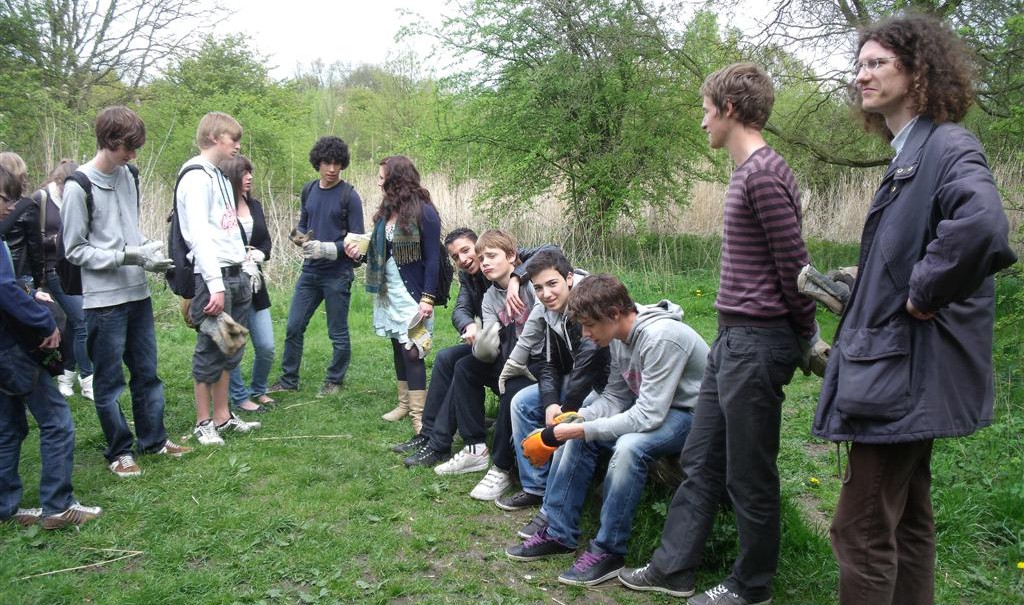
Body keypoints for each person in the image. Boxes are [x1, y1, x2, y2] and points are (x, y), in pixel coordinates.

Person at [811, 15, 1016, 605]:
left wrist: (924, 290)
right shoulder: (911, 154)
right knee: (906, 521)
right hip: (897, 372)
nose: (861, 75)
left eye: (877, 63)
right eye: (859, 65)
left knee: (859, 531)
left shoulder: (946, 145)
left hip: (899, 378)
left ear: (919, 70)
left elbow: (982, 227)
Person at [619, 63, 816, 605]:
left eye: (706, 110)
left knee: (749, 474)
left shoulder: (764, 174)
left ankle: (752, 587)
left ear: (729, 108)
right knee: (701, 459)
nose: (702, 121)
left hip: (758, 343)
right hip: (730, 338)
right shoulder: (746, 172)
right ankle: (674, 569)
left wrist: (806, 337)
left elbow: (795, 268)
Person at [505, 274, 708, 587]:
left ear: (614, 314)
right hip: (658, 410)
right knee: (579, 432)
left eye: (589, 326)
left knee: (629, 448)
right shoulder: (617, 338)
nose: (586, 335)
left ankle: (609, 550)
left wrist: (581, 429)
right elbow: (615, 397)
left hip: (693, 415)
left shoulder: (661, 338)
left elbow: (648, 416)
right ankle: (559, 532)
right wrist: (575, 420)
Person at [62, 105, 192, 476]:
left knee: (147, 373)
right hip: (104, 301)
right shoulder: (78, 186)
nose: (133, 155)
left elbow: (129, 231)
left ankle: (154, 440)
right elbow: (74, 250)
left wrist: (148, 252)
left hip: (138, 294)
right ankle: (119, 451)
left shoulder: (130, 175)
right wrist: (127, 256)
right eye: (127, 148)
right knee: (109, 382)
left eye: (136, 148)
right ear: (108, 140)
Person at [397, 232, 561, 463]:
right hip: (497, 341)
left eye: (467, 251)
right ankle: (429, 433)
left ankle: (441, 443)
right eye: (456, 257)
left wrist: (516, 277)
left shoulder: (510, 260)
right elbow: (461, 309)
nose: (464, 259)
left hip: (526, 352)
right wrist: (469, 326)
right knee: (446, 358)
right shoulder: (470, 279)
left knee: (465, 366)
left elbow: (552, 250)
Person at [0, 165, 102, 529]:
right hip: (11, 349)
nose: (11, 207)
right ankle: (58, 506)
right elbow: (4, 289)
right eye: (5, 199)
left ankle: (4, 508)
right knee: (57, 420)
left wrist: (29, 294)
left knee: (8, 427)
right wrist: (43, 322)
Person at [431, 229, 540, 502]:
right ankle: (475, 448)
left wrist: (517, 278)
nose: (485, 263)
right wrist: (482, 343)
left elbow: (552, 253)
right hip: (510, 358)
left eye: (490, 256)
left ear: (512, 256)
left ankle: (502, 467)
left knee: (512, 386)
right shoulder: (489, 297)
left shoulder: (532, 283)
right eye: (483, 259)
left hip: (538, 363)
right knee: (465, 367)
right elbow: (493, 343)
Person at [500, 249, 610, 516]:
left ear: (569, 278)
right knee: (521, 402)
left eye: (552, 284)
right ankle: (535, 486)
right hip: (577, 380)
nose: (546, 294)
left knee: (570, 422)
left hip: (606, 385)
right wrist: (550, 402)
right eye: (538, 288)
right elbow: (549, 363)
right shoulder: (549, 310)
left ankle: (557, 506)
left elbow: (590, 358)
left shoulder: (590, 299)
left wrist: (565, 409)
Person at [176, 111, 260, 446]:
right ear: (214, 137)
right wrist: (214, 285)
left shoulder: (221, 176)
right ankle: (203, 422)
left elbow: (227, 229)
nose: (238, 145)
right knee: (210, 350)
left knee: (230, 347)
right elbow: (198, 235)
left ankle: (223, 417)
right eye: (233, 139)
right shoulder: (195, 177)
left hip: (236, 273)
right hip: (215, 279)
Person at [345, 155, 441, 434]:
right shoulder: (387, 211)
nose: (378, 182)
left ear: (396, 179)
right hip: (389, 291)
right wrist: (358, 254)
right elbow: (382, 252)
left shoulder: (425, 212)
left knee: (413, 350)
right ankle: (404, 404)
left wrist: (428, 298)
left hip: (413, 294)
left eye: (381, 177)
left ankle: (420, 416)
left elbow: (433, 259)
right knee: (398, 347)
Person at [268, 136, 364, 398]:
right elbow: (304, 223)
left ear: (343, 164)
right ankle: (288, 380)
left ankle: (334, 380)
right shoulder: (308, 190)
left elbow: (358, 241)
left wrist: (328, 248)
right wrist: (299, 237)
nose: (332, 169)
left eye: (337, 163)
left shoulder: (349, 196)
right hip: (310, 272)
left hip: (338, 274)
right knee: (293, 327)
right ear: (317, 163)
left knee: (337, 332)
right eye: (326, 163)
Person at [31, 160, 94, 401]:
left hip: (75, 268)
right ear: (58, 182)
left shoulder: (78, 196)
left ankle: (66, 375)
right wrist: (55, 241)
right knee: (82, 321)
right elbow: (31, 238)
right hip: (52, 269)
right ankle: (88, 380)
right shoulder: (41, 199)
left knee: (73, 324)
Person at [220, 156, 275, 414]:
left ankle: (259, 389)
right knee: (233, 342)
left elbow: (266, 241)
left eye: (250, 172)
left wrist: (261, 253)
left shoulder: (255, 205)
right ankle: (239, 396)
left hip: (255, 283)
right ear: (231, 175)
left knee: (266, 346)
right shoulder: (221, 208)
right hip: (230, 282)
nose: (250, 177)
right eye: (244, 172)